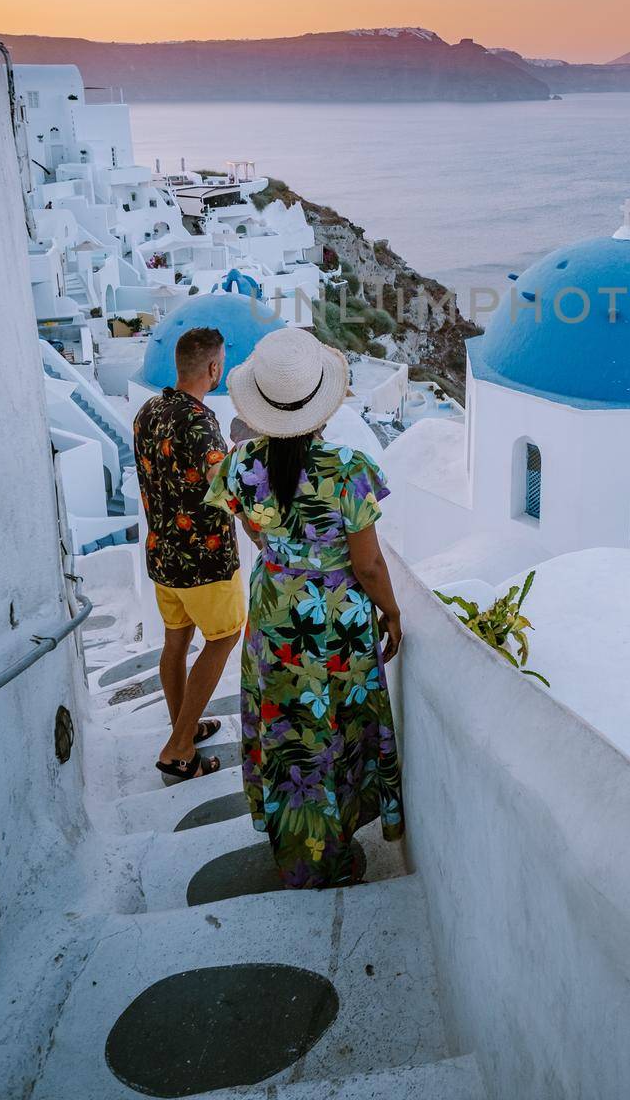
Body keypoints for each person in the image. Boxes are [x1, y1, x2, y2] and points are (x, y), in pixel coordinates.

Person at [206, 326, 404, 888]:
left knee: (291, 731)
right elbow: (368, 566)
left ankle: (299, 849)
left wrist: (282, 550)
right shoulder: (350, 470)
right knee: (336, 728)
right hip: (335, 629)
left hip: (273, 622)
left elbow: (251, 524)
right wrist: (391, 612)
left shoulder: (241, 466)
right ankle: (333, 852)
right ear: (322, 400)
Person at [133, 326, 244, 782]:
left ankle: (185, 726)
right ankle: (180, 749)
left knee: (175, 644)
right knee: (223, 638)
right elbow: (229, 486)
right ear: (214, 369)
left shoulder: (149, 411)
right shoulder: (200, 424)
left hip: (163, 557)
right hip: (205, 561)